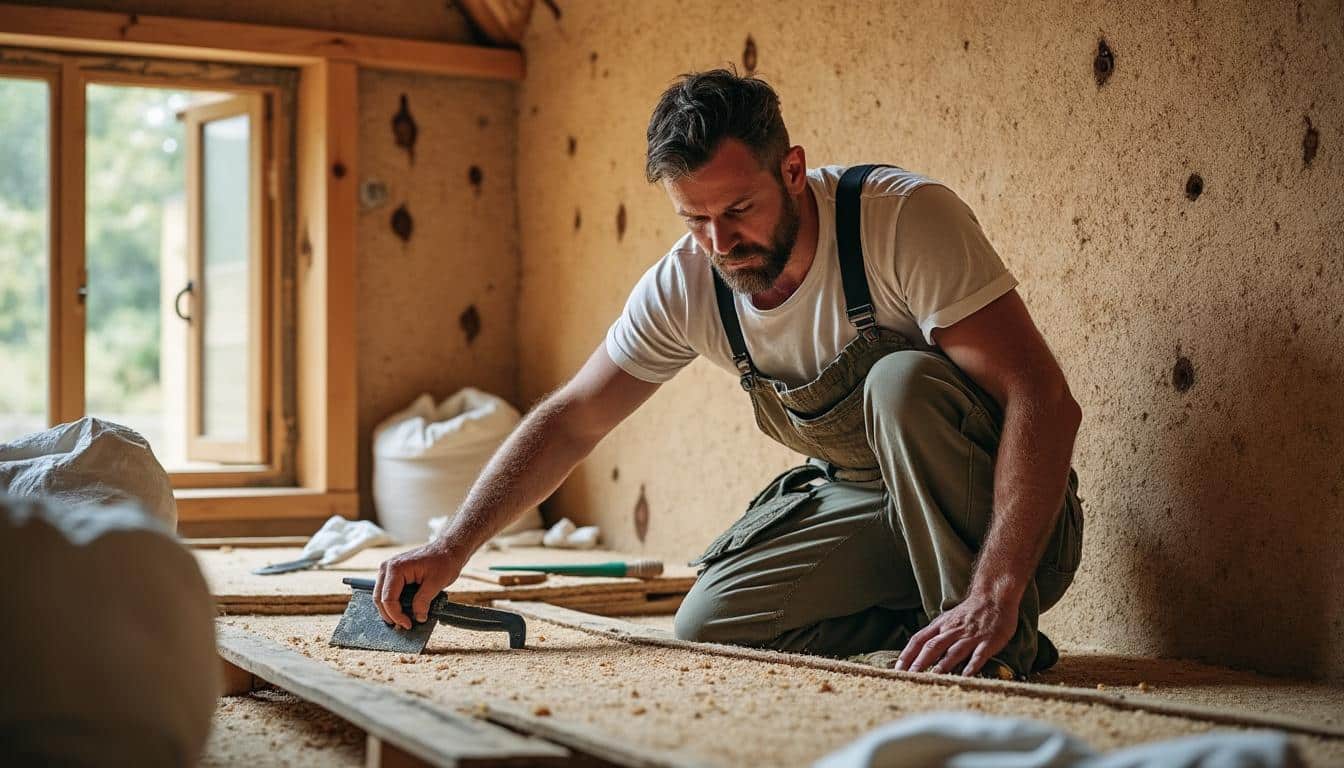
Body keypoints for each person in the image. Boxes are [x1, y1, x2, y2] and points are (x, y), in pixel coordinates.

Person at [375, 69, 1084, 680]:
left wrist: (998, 585)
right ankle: (932, 631)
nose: (721, 243)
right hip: (872, 504)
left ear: (792, 170)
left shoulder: (899, 220)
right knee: (714, 621)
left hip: (1008, 525)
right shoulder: (688, 284)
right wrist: (452, 547)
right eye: (695, 219)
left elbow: (1042, 399)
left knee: (896, 382)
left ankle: (995, 641)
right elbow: (572, 422)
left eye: (739, 210)